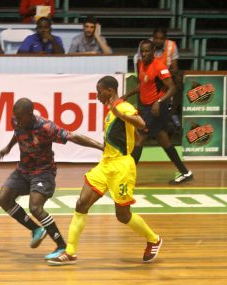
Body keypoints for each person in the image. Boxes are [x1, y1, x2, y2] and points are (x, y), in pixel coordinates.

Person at [48, 76, 162, 266]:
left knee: (123, 215)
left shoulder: (122, 107)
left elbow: (141, 124)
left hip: (121, 168)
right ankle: (70, 252)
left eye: (99, 91)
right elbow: (133, 134)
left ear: (109, 91)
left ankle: (153, 239)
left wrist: (120, 114)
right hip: (105, 165)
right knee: (81, 204)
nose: (97, 94)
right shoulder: (111, 111)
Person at [0, 98, 104, 260]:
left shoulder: (46, 127)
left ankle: (61, 246)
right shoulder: (16, 121)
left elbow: (73, 137)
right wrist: (8, 148)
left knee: (35, 207)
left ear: (30, 115)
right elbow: (17, 133)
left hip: (43, 173)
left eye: (19, 117)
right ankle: (36, 230)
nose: (15, 120)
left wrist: (101, 146)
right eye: (14, 117)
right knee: (3, 199)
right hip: (23, 170)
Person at [125, 40, 192, 184]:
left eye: (147, 51)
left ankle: (127, 177)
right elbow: (143, 85)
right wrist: (127, 95)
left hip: (157, 108)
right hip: (146, 107)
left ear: (153, 51)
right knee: (163, 138)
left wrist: (159, 102)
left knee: (141, 136)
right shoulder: (141, 64)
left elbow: (172, 88)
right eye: (142, 51)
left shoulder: (159, 67)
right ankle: (185, 172)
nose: (144, 54)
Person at [136, 27, 182, 129]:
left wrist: (162, 73)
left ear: (165, 39)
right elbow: (141, 66)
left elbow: (175, 68)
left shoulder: (171, 46)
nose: (158, 41)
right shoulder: (145, 45)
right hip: (150, 76)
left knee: (178, 80)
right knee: (161, 135)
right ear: (153, 38)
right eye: (156, 38)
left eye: (161, 39)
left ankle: (173, 112)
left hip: (164, 76)